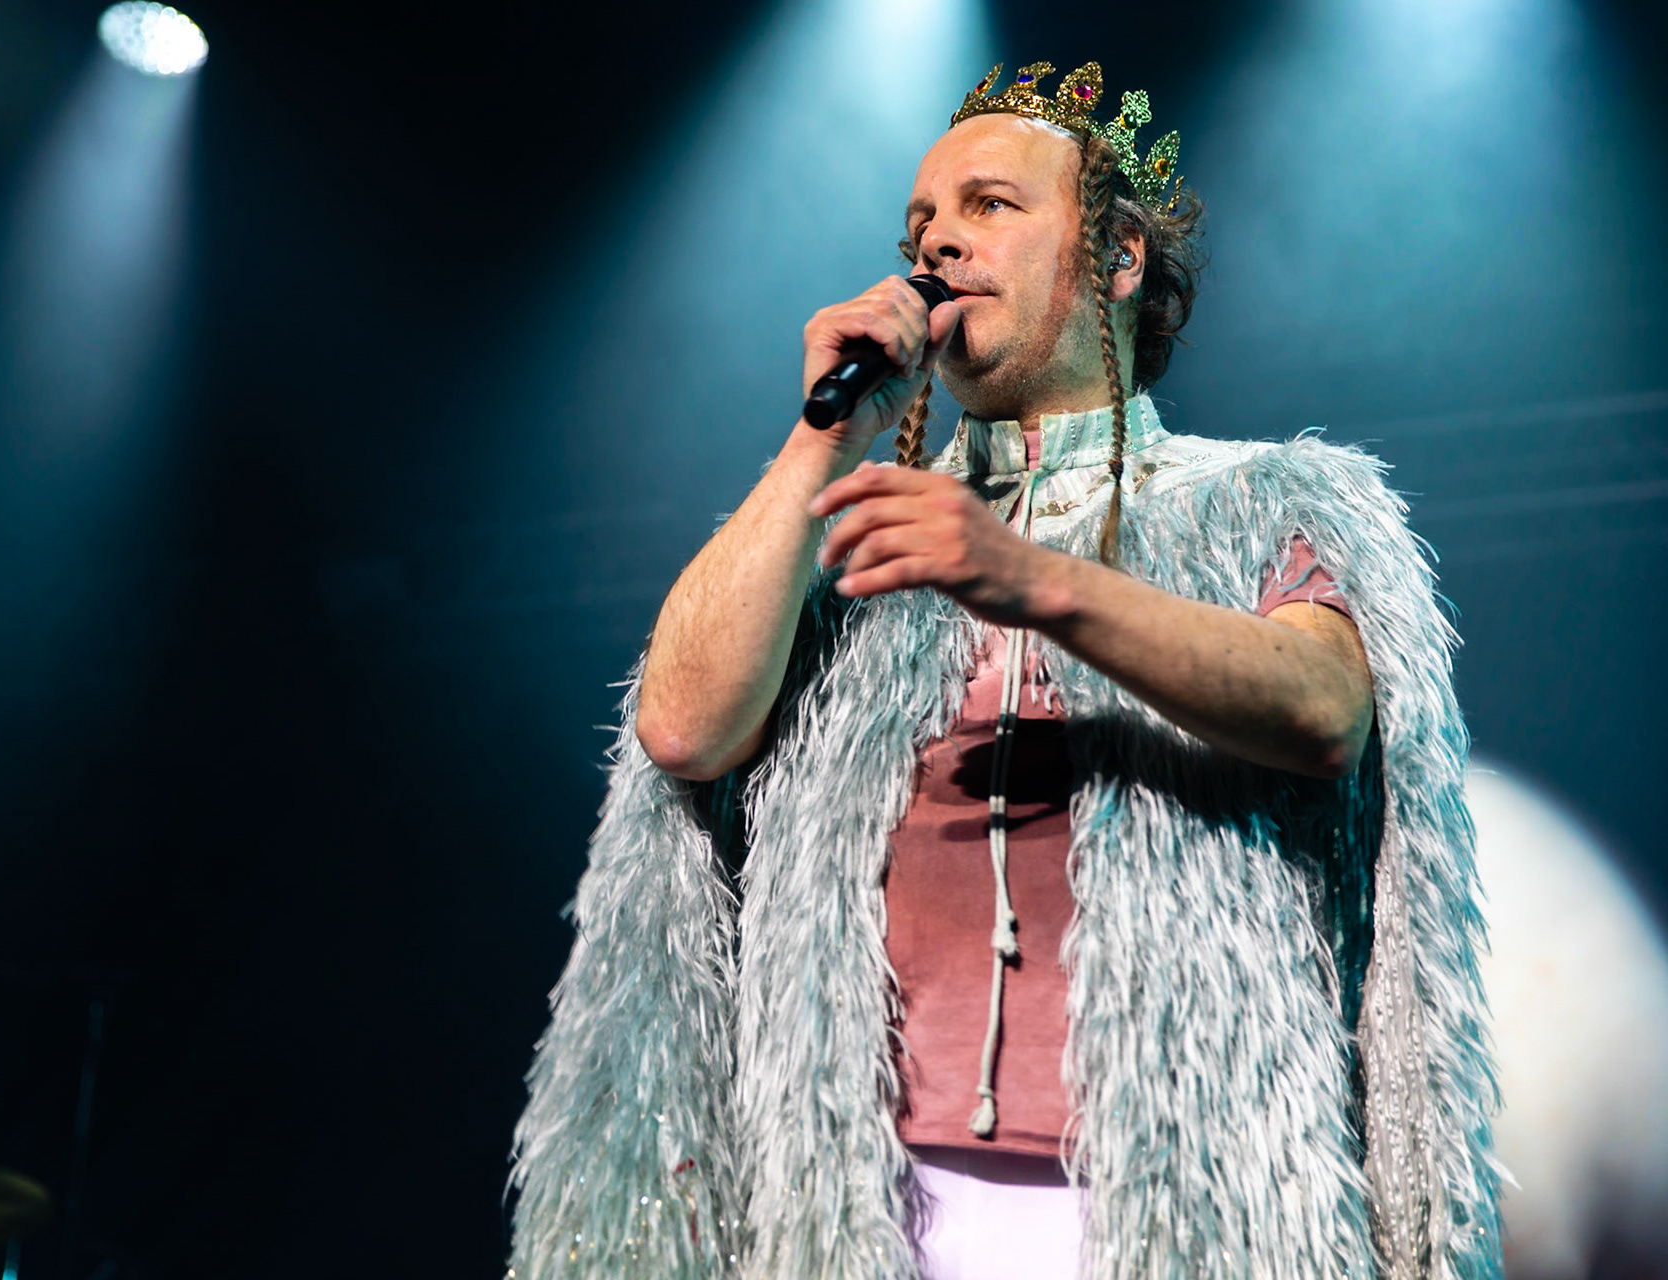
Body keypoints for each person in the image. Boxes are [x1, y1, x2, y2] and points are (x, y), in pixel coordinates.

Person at [508, 60, 1500, 1279]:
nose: (939, 244)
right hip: (876, 1208)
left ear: (1118, 260)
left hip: (1178, 1200)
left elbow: (1325, 706)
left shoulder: (1267, 500)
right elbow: (681, 728)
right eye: (921, 223)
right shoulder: (867, 543)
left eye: (989, 206)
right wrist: (825, 436)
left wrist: (1037, 580)